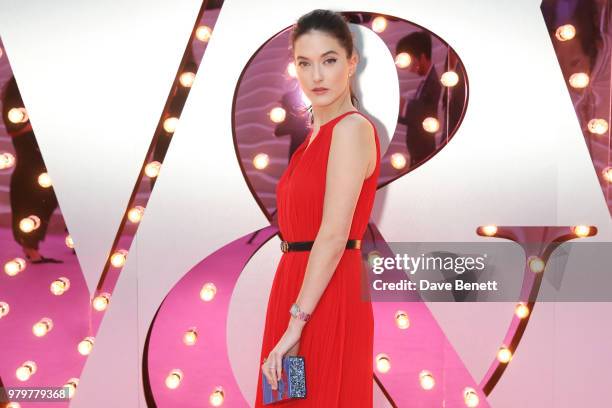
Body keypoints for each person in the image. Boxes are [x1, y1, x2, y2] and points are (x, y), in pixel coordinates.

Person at [255, 9, 380, 407]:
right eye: (305, 64)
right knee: (290, 399)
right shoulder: (315, 135)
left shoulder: (351, 129)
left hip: (325, 299)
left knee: (318, 397)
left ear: (351, 62)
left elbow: (332, 233)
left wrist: (296, 325)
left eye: (329, 60)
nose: (317, 76)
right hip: (297, 289)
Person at [2, 76, 62, 263]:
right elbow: (15, 126)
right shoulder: (16, 86)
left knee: (49, 192)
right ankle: (29, 244)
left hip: (40, 148)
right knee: (34, 192)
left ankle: (30, 243)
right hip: (29, 149)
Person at [396, 31, 442, 167]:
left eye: (409, 61)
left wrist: (401, 104)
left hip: (426, 156)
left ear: (422, 57)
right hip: (417, 156)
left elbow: (426, 114)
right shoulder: (425, 82)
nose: (409, 69)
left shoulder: (435, 81)